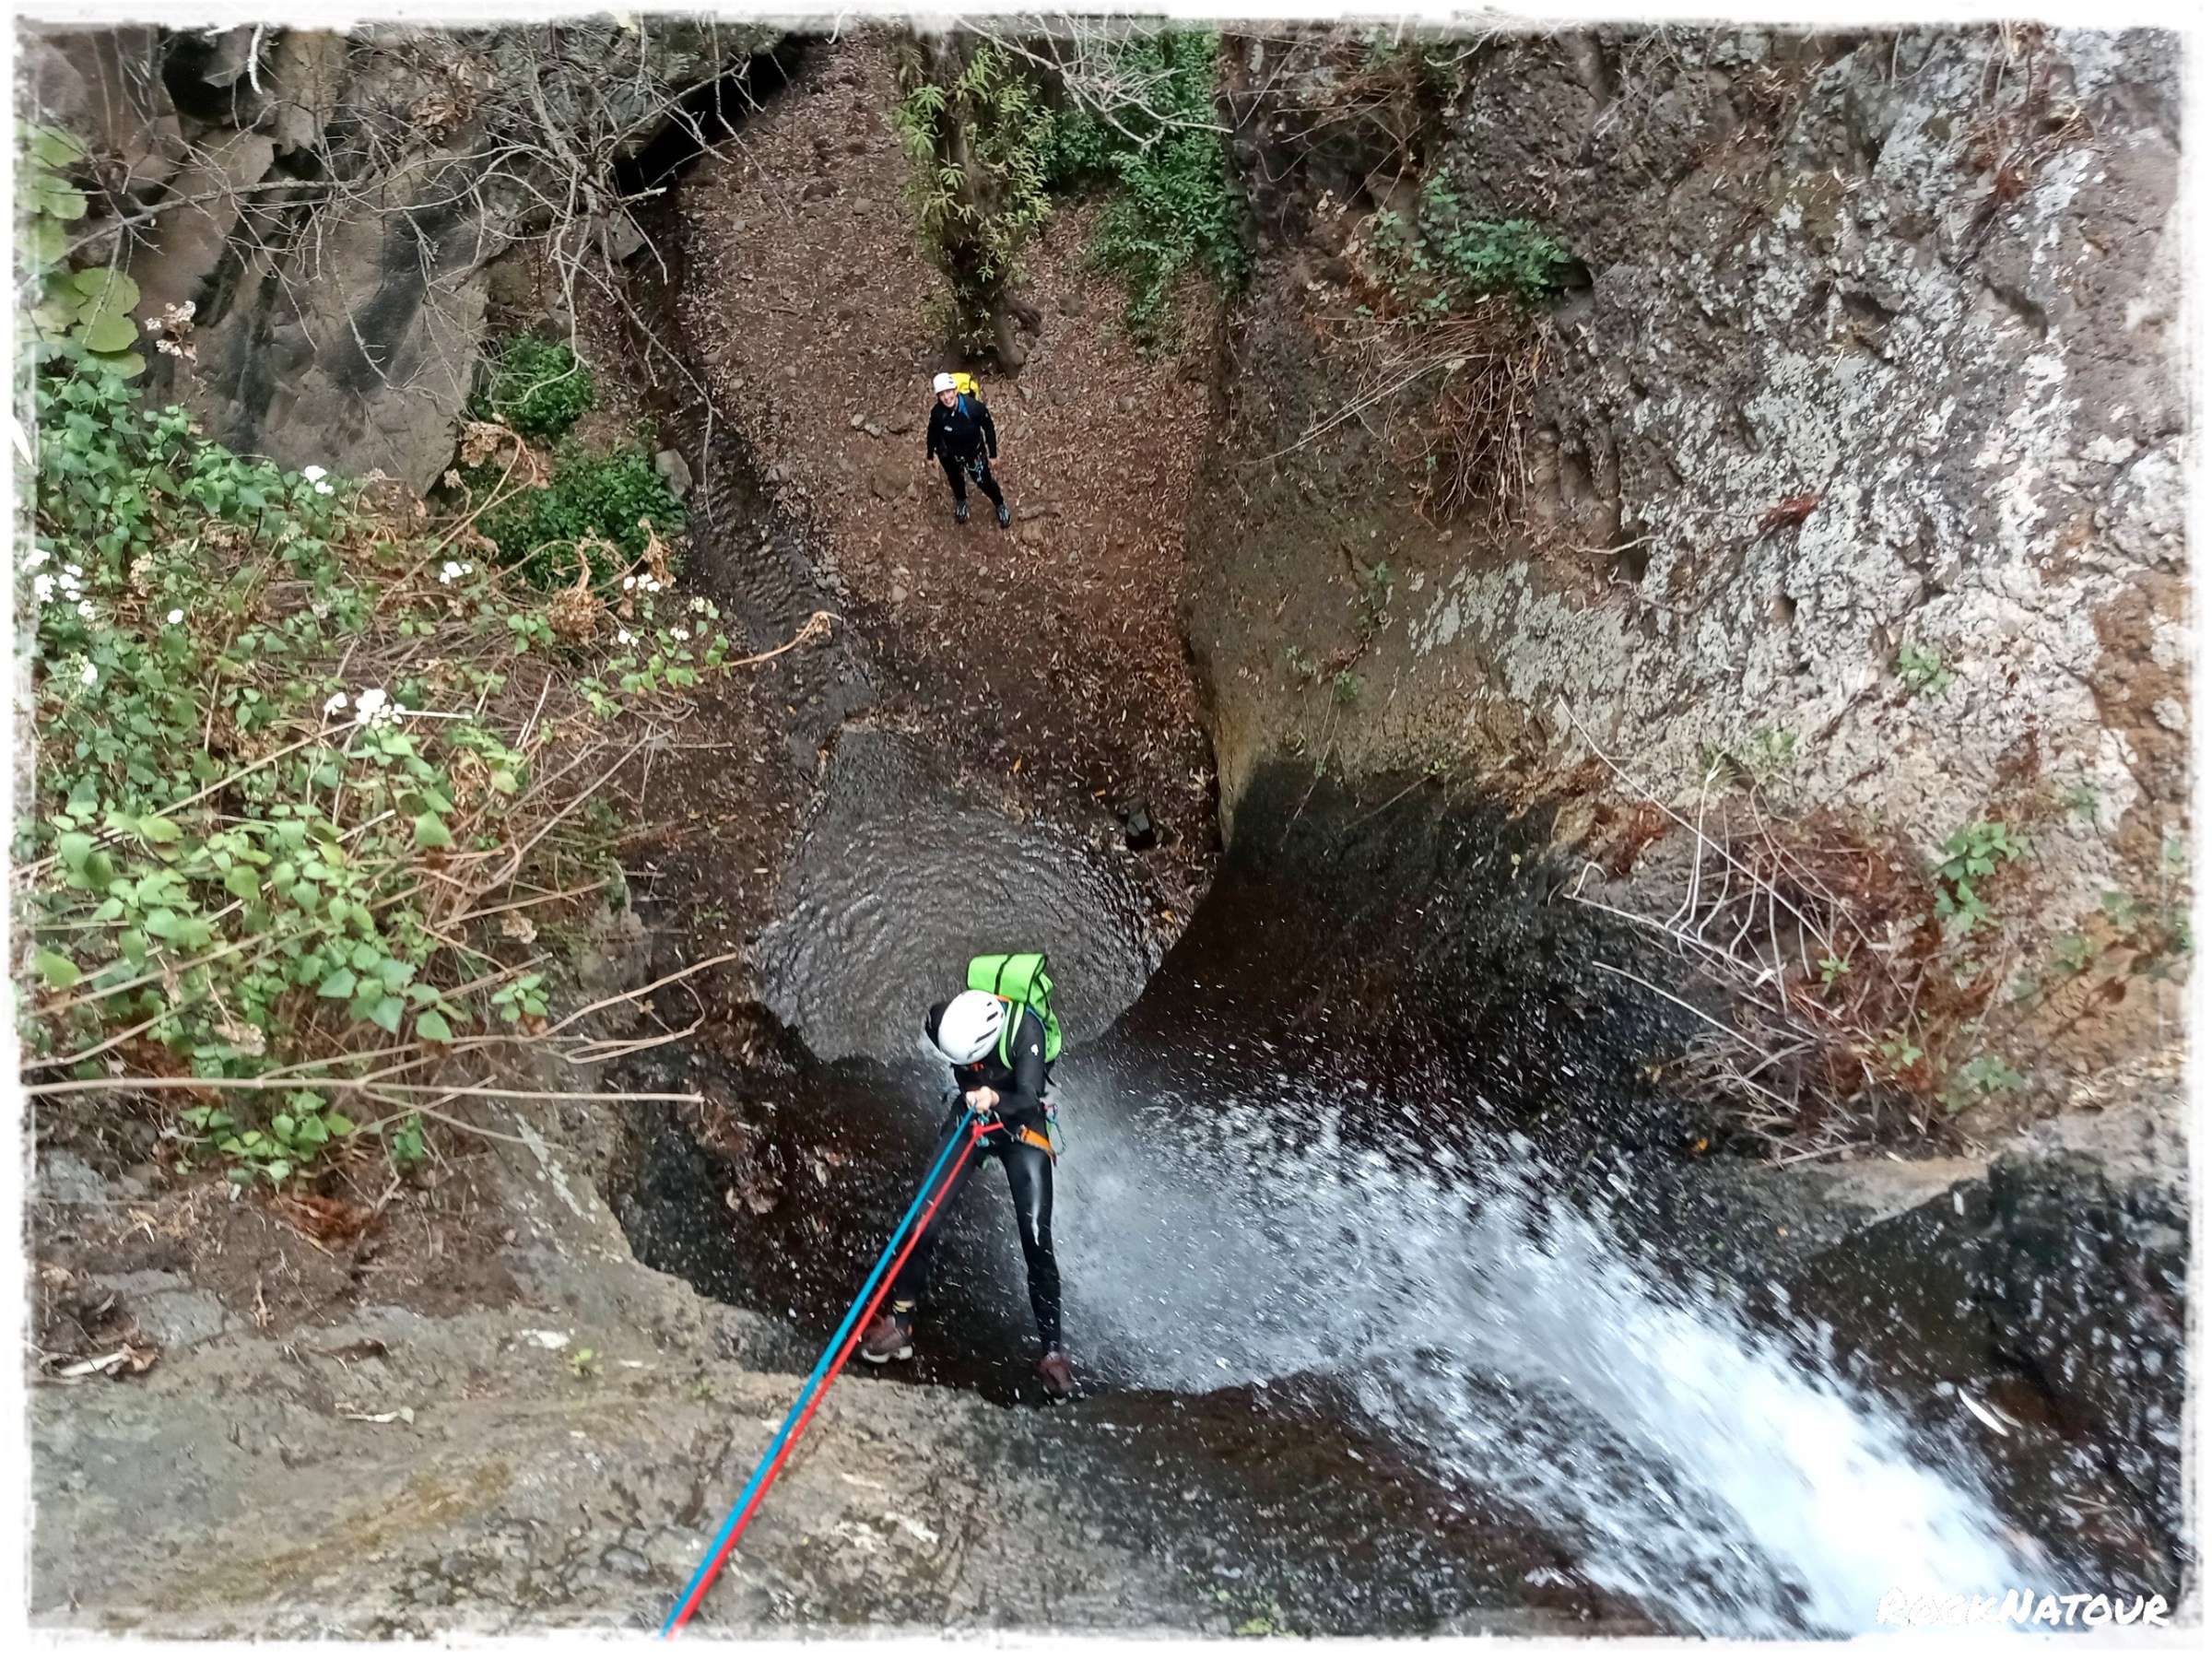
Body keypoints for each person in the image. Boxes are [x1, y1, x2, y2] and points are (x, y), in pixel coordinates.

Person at [860, 978, 1077, 1399]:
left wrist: (994, 1098)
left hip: (1020, 1123)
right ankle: (900, 1324)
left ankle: (1053, 1352)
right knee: (921, 1219)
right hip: (971, 1118)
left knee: (1035, 1238)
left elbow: (1031, 1100)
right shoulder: (945, 1021)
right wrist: (975, 1098)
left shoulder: (1026, 1030)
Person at [923, 371, 1011, 527]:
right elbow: (933, 433)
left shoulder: (974, 408)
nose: (947, 397)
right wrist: (930, 455)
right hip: (950, 454)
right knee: (955, 480)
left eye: (949, 392)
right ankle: (961, 500)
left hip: (974, 454)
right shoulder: (938, 413)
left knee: (984, 482)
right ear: (938, 397)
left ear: (955, 390)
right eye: (942, 394)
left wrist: (993, 455)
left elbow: (988, 428)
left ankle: (1000, 504)